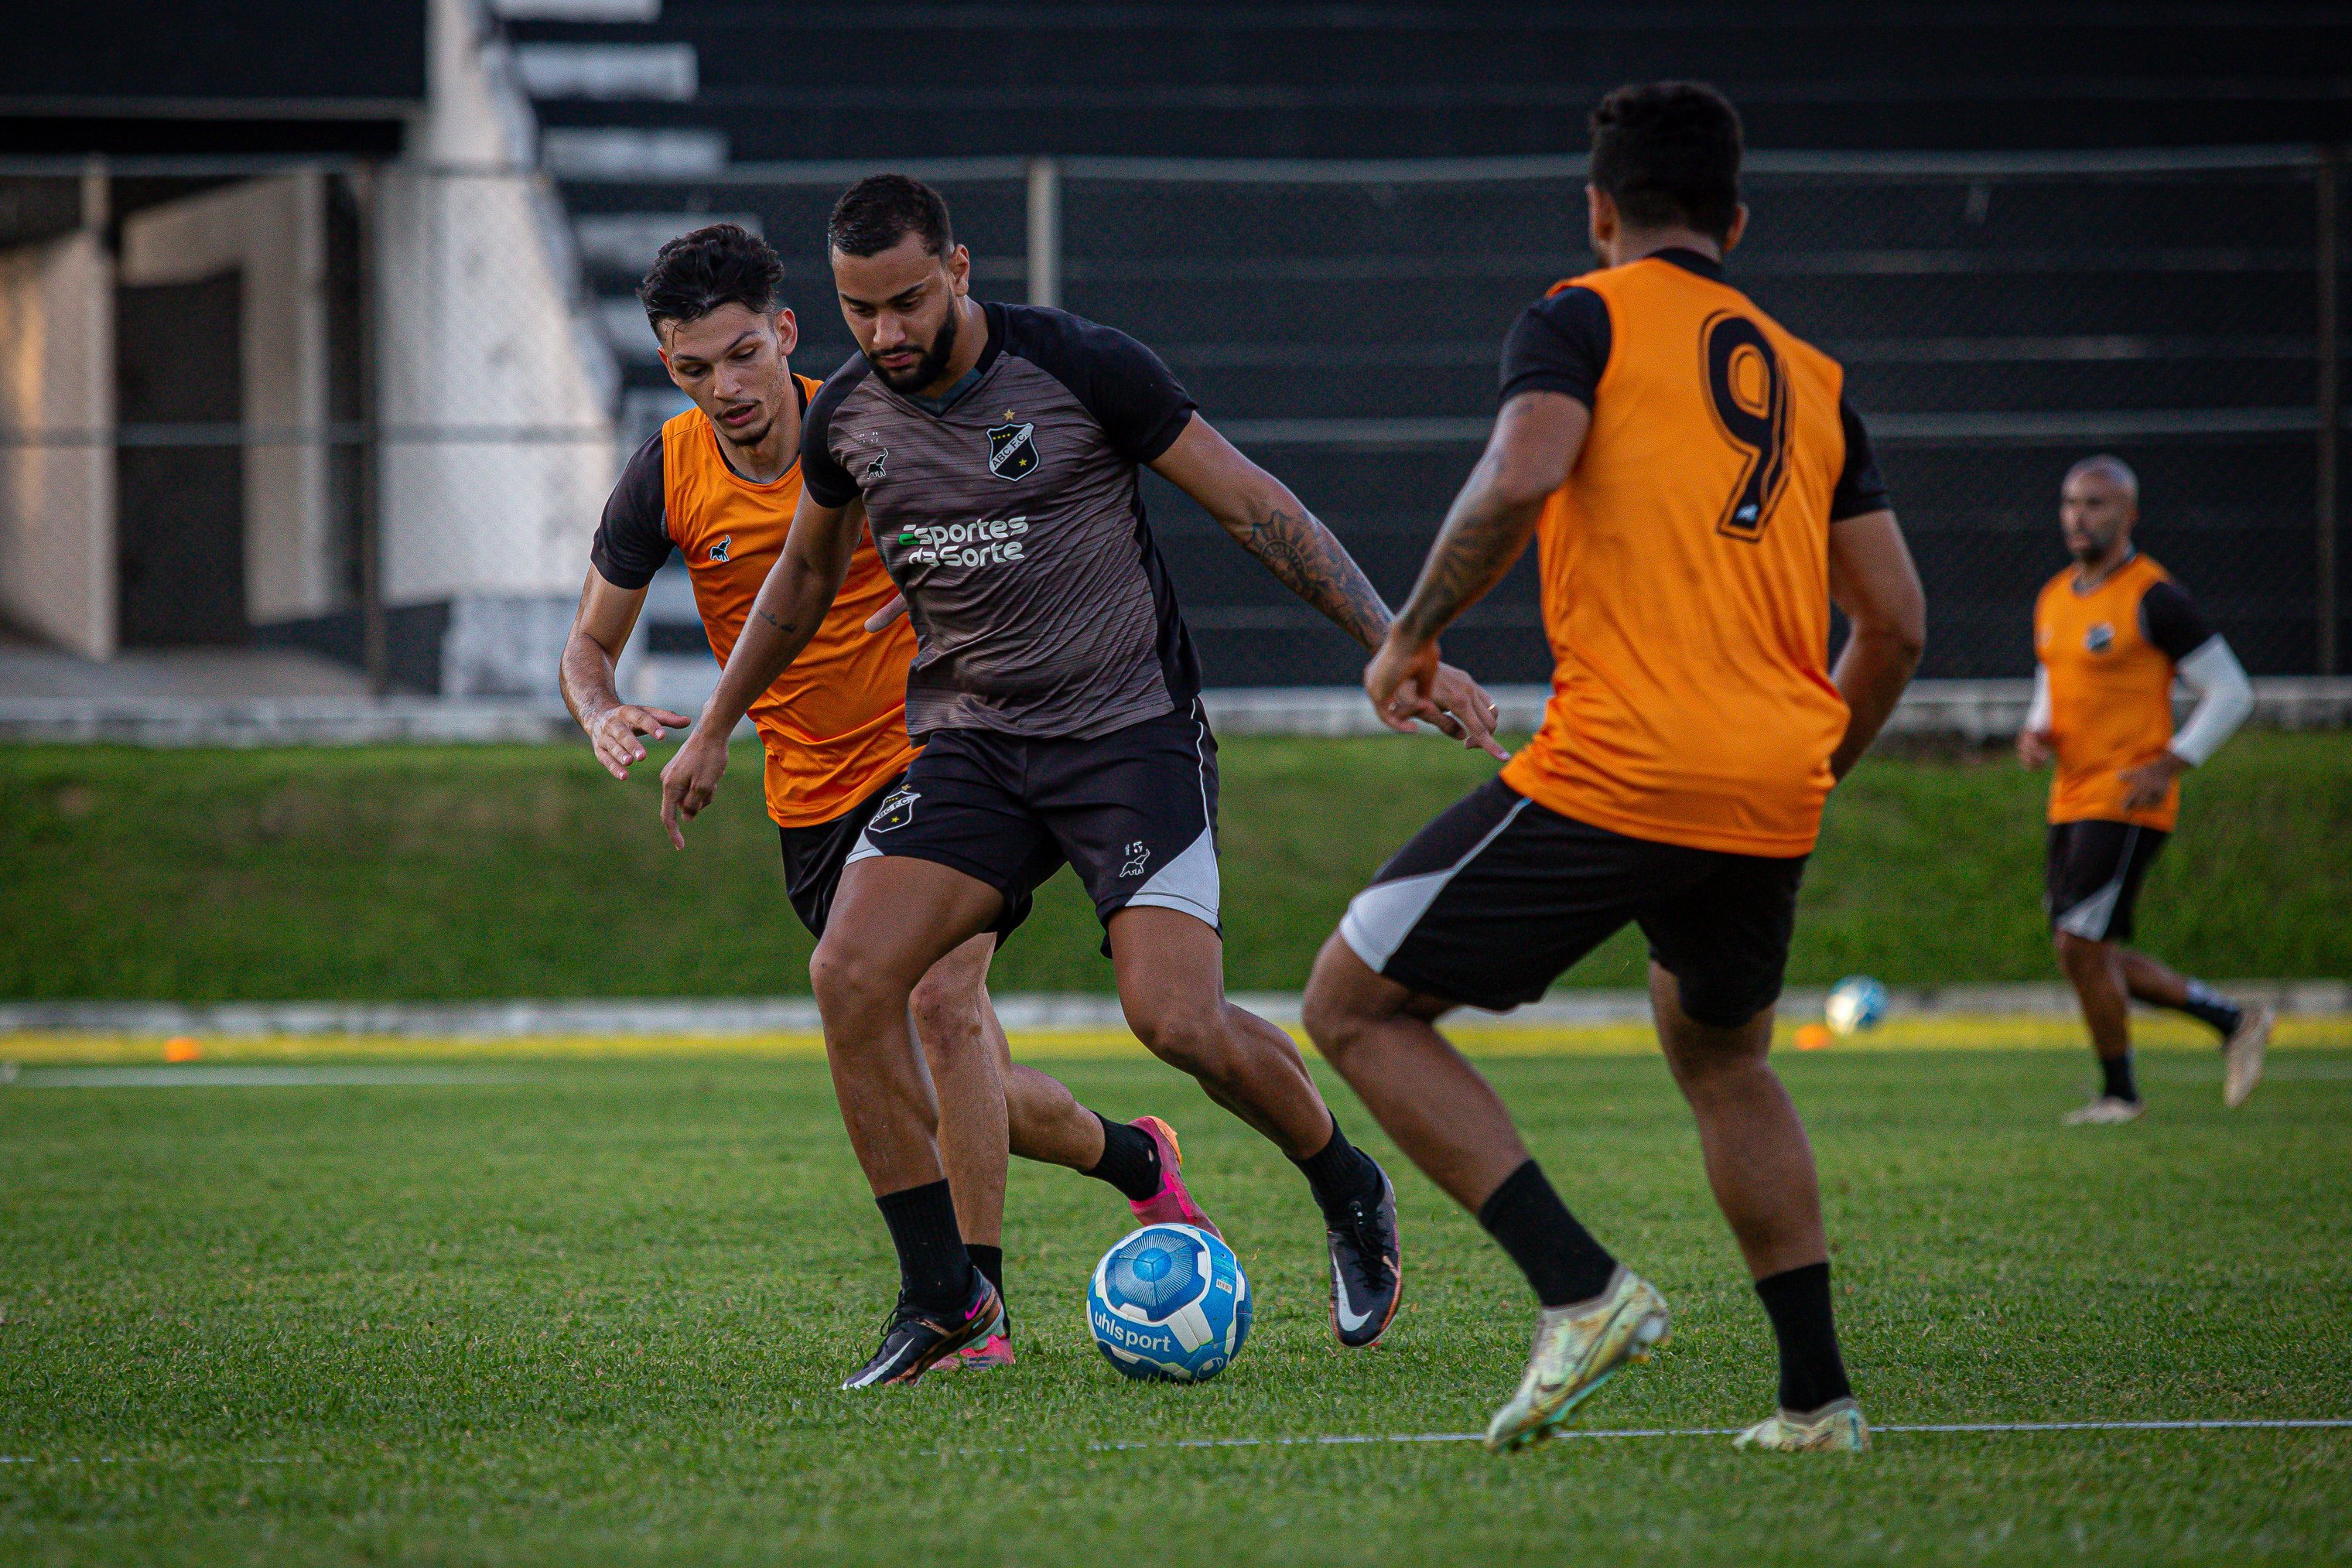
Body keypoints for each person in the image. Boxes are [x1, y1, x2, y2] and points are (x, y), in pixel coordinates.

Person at [658, 176, 1508, 1389]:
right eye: (861, 312)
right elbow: (797, 585)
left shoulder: (1082, 366)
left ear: (958, 268)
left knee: (1175, 1019)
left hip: (1127, 736)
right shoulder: (847, 417)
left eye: (907, 302)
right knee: (851, 971)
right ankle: (946, 1296)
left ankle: (1348, 1183)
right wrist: (712, 728)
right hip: (975, 747)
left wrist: (1393, 637)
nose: (888, 335)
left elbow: (1257, 504)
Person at [1299, 82, 1926, 1455]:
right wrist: (1809, 762)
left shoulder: (1580, 312)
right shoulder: (1813, 378)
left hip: (1626, 765)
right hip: (1771, 786)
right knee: (1723, 1056)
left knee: (1351, 1004)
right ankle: (1818, 1400)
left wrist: (1409, 639)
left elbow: (1524, 474)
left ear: (1600, 211)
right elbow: (1897, 621)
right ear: (1737, 222)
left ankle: (1579, 1287)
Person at [557, 224, 1225, 1373]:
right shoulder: (667, 472)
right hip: (811, 806)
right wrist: (602, 710)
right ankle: (1131, 1157)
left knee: (943, 1004)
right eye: (692, 369)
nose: (724, 389)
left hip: (949, 758)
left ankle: (979, 1308)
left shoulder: (876, 421)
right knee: (943, 1076)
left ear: (785, 334)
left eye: (740, 358)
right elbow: (587, 644)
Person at [2019, 455, 2268, 1125]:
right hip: (2069, 794)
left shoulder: (2155, 596)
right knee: (2085, 953)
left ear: (2129, 515)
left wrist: (2172, 761)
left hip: (2128, 796)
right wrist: (2036, 729)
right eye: (2071, 502)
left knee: (2078, 945)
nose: (2079, 515)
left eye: (2096, 503)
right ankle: (2232, 1019)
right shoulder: (2053, 596)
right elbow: (2054, 677)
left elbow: (2232, 691)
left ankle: (2120, 1093)